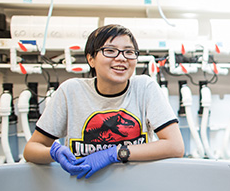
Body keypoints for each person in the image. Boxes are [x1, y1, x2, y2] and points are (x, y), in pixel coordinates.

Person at [23, 24, 184, 178]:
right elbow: (30, 150)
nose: (121, 58)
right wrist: (54, 153)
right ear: (91, 59)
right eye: (110, 51)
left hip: (135, 186)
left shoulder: (144, 88)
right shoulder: (71, 91)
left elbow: (175, 146)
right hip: (83, 186)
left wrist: (116, 153)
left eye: (129, 52)